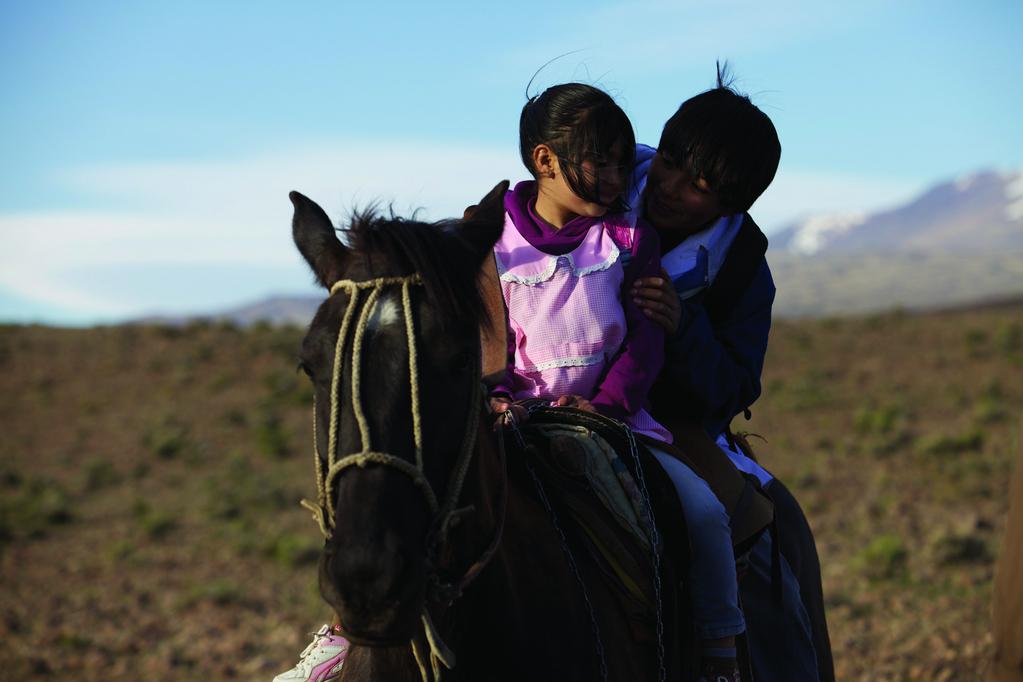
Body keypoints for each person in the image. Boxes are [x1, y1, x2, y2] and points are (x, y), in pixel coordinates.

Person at [488, 81, 747, 682]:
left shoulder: (629, 239)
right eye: (597, 161)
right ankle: (348, 638)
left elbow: (644, 338)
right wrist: (498, 397)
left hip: (615, 422)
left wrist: (607, 405)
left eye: (619, 159)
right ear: (544, 159)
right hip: (511, 420)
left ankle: (718, 657)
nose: (614, 177)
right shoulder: (491, 242)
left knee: (706, 514)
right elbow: (482, 336)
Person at [628, 64, 834, 681]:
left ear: (729, 204)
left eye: (697, 184)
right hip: (541, 398)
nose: (667, 185)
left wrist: (681, 330)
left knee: (764, 537)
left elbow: (736, 385)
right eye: (667, 160)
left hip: (670, 431)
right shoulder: (601, 181)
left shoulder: (742, 267)